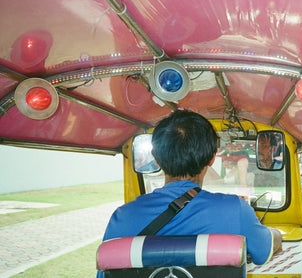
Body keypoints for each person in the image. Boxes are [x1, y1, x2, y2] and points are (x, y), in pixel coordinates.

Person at [97, 111, 282, 278]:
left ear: (156, 158)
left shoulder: (122, 218)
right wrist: (274, 234)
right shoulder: (236, 210)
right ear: (211, 158)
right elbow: (263, 252)